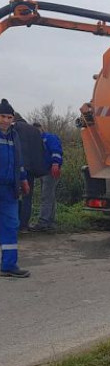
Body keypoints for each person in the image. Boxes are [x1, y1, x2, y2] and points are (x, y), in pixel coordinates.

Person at [0, 99, 31, 278]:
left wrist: (24, 179)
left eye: (9, 117)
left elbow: (18, 161)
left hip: (10, 188)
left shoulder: (14, 135)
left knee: (11, 225)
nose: (5, 120)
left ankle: (9, 265)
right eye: (3, 116)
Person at [14, 113, 48, 232]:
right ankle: (24, 225)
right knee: (27, 197)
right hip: (31, 170)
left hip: (15, 168)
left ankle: (13, 224)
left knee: (12, 195)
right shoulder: (34, 130)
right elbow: (41, 149)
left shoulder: (13, 128)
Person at [29, 123, 63, 232]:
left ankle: (43, 222)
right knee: (50, 196)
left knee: (46, 196)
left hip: (50, 171)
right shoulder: (38, 140)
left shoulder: (49, 138)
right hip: (44, 171)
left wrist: (55, 164)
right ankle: (50, 222)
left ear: (40, 129)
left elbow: (56, 151)